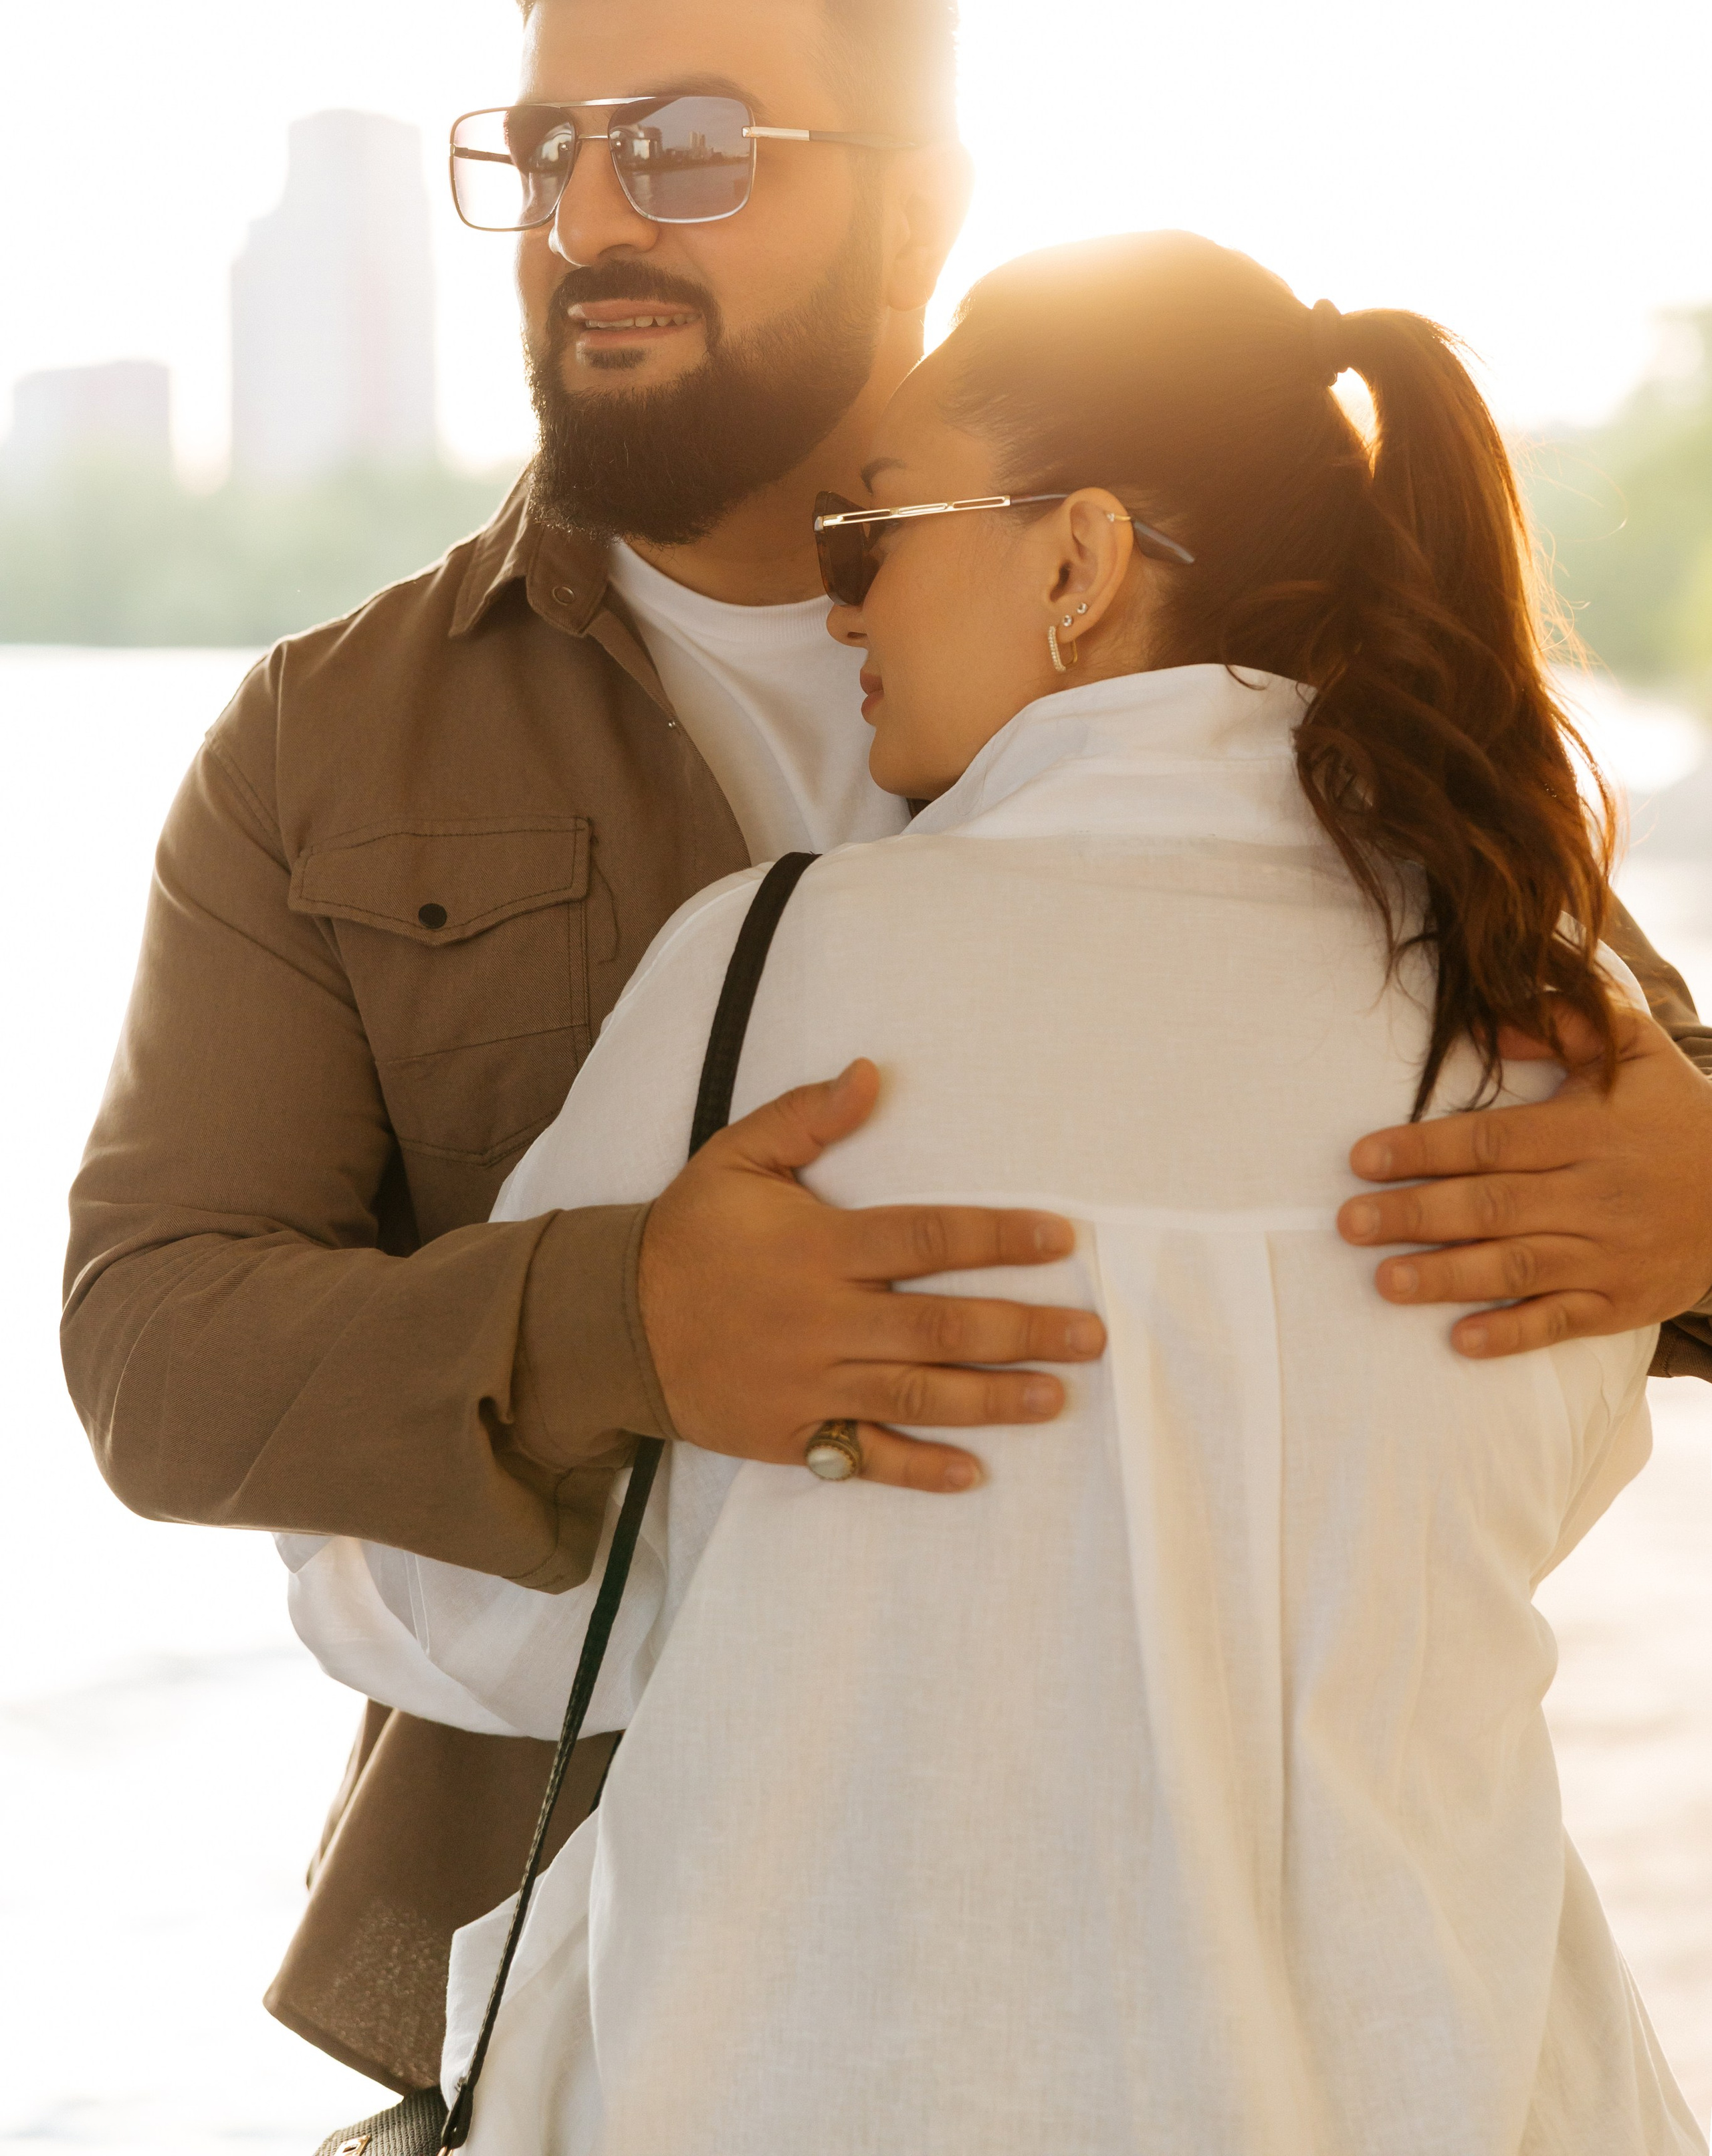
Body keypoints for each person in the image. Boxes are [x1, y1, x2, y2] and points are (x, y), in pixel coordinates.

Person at [62, 0, 1712, 2096]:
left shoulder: (1292, 686)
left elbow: (1585, 1119)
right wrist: (619, 1325)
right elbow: (153, 1351)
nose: (591, 217)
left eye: (694, 147)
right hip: (645, 1986)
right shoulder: (331, 740)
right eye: (544, 148)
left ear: (924, 205)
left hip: (1268, 1991)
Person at [292, 233, 1704, 2154]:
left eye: (877, 530)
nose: (835, 594)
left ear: (1079, 557)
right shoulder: (1565, 1021)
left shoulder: (780, 970)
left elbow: (475, 1617)